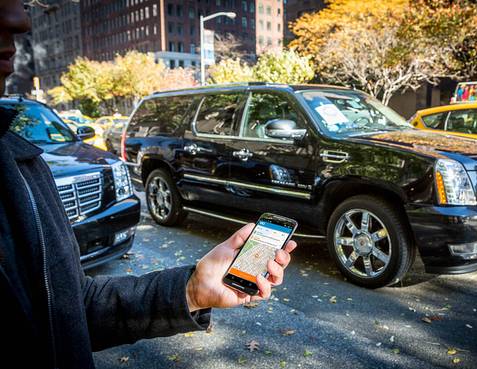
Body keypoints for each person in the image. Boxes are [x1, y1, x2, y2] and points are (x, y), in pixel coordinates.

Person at [0, 1, 296, 368]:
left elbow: (70, 311)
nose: (20, 20)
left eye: (23, 2)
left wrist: (190, 290)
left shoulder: (24, 166)